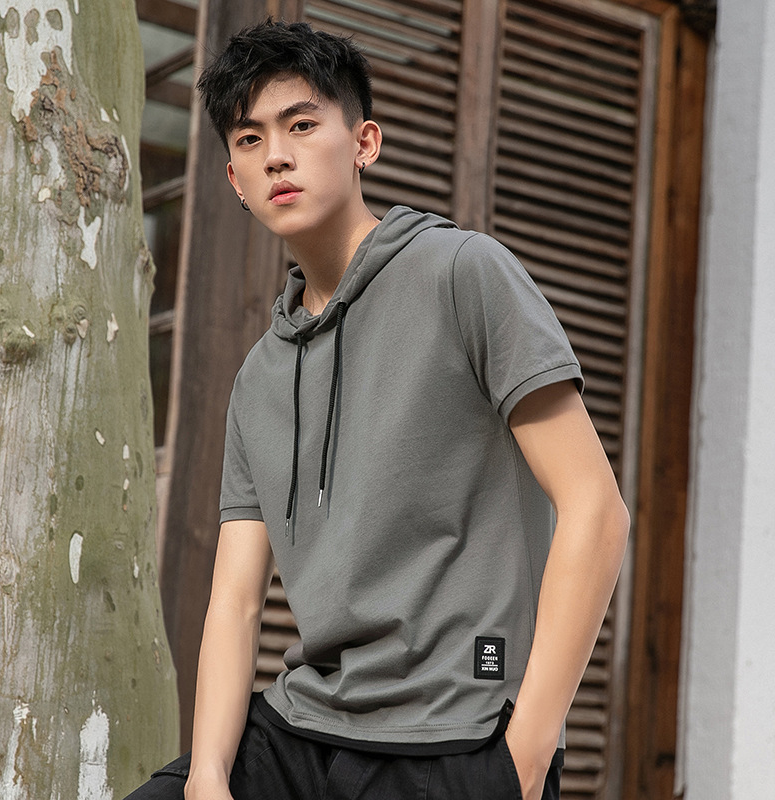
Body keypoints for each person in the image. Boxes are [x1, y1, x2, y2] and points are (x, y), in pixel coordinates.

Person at [125, 18, 629, 800]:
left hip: (457, 730)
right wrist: (211, 775)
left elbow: (596, 509)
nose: (277, 155)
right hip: (305, 727)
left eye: (301, 125)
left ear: (364, 143)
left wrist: (527, 754)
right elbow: (236, 600)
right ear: (234, 179)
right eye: (251, 139)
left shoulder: (462, 274)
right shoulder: (259, 379)